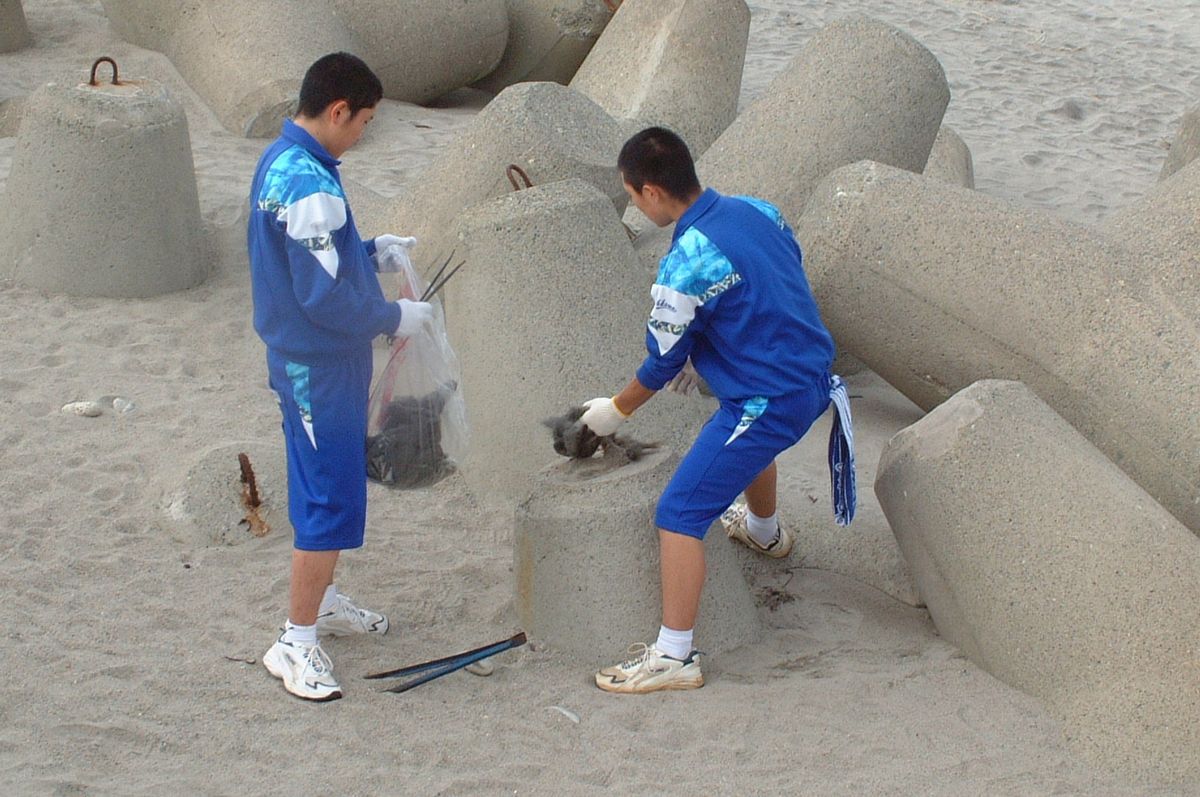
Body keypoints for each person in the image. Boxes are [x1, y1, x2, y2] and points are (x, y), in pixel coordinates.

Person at [580, 127, 856, 695]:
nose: (635, 203)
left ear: (652, 192)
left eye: (632, 194)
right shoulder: (761, 210)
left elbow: (659, 363)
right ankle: (764, 532)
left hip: (769, 397)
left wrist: (613, 412)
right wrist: (705, 348)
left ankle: (675, 655)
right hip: (811, 378)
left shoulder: (684, 265)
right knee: (745, 442)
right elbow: (769, 283)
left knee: (679, 512)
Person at [247, 52, 431, 702]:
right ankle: (294, 640)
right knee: (329, 501)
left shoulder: (285, 160)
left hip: (306, 360)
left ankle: (320, 603)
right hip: (317, 366)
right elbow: (325, 300)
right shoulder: (313, 186)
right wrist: (394, 316)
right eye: (364, 122)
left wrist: (366, 250)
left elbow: (309, 258)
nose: (363, 134)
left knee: (320, 485)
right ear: (337, 111)